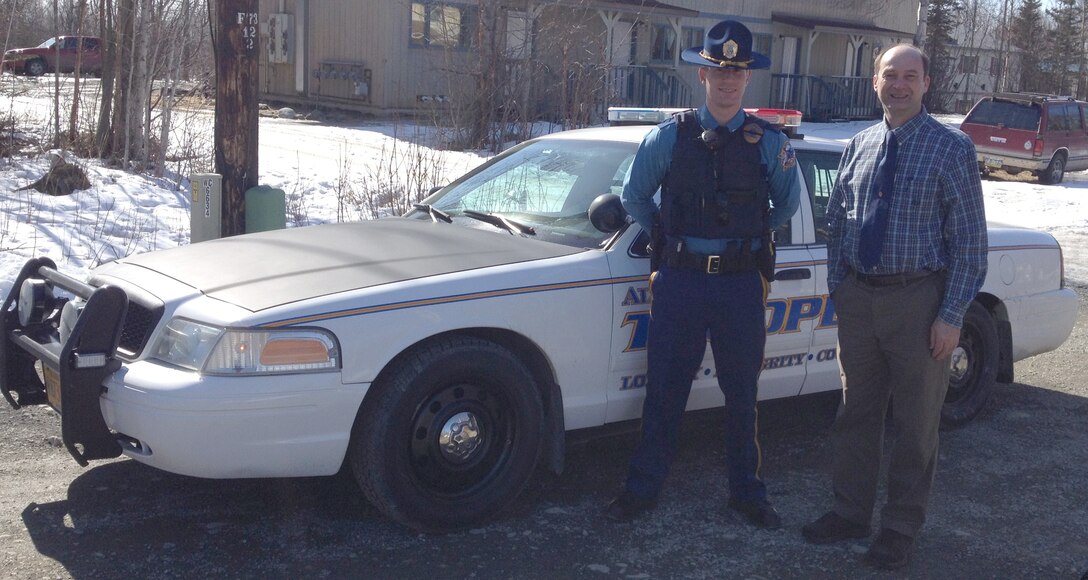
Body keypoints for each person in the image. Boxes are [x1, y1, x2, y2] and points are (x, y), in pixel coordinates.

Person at [605, 19, 800, 529]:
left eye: (737, 72)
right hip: (682, 282)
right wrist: (670, 238)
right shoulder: (669, 138)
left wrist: (744, 241)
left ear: (748, 78)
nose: (728, 80)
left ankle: (747, 493)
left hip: (739, 284)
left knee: (742, 395)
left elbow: (786, 206)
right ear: (703, 77)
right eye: (719, 71)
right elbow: (634, 198)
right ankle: (641, 489)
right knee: (665, 392)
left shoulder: (768, 143)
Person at [801, 44, 987, 569]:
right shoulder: (858, 144)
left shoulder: (952, 149)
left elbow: (970, 242)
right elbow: (837, 222)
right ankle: (850, 512)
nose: (899, 85)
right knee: (855, 413)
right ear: (875, 81)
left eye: (910, 76)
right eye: (890, 75)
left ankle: (900, 527)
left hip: (919, 302)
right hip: (860, 300)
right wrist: (840, 286)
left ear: (927, 83)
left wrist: (951, 316)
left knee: (915, 422)